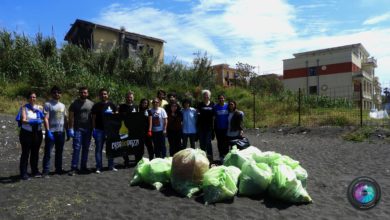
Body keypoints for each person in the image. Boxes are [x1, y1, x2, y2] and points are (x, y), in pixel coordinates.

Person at [16, 91, 44, 180]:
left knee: (35, 152)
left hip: (37, 133)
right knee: (25, 153)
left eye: (34, 97)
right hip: (26, 133)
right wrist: (32, 121)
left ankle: (34, 170)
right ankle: (23, 172)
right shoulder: (24, 108)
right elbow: (23, 120)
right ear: (28, 98)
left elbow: (44, 117)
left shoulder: (39, 107)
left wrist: (41, 119)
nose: (33, 99)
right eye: (31, 97)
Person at [42, 86, 68, 177]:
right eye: (54, 92)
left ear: (60, 94)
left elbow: (65, 119)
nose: (56, 94)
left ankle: (58, 169)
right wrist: (48, 131)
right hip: (51, 132)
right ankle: (45, 171)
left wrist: (67, 130)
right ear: (52, 94)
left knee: (59, 152)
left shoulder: (63, 105)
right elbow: (45, 118)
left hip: (61, 132)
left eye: (58, 92)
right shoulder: (48, 104)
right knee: (48, 152)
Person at [68, 87, 94, 176]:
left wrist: (93, 128)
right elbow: (70, 116)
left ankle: (83, 167)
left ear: (87, 93)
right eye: (82, 92)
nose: (83, 94)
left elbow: (93, 117)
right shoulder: (74, 103)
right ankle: (74, 168)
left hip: (88, 129)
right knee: (76, 148)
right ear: (79, 93)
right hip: (78, 129)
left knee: (86, 148)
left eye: (85, 92)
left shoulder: (91, 104)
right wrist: (70, 128)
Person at [91, 88, 118, 173]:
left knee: (111, 148)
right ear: (99, 95)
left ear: (108, 95)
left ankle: (111, 165)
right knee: (98, 149)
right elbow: (93, 119)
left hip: (110, 130)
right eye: (102, 94)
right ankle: (99, 167)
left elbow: (117, 117)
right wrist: (94, 129)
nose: (103, 95)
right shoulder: (96, 105)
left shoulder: (112, 105)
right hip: (99, 130)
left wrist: (113, 114)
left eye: (105, 94)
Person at [118, 91, 138, 167]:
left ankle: (137, 160)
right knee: (124, 145)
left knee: (135, 144)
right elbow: (118, 117)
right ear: (126, 98)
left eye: (131, 97)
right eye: (128, 97)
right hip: (124, 129)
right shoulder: (122, 106)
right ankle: (126, 161)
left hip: (134, 129)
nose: (129, 98)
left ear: (133, 98)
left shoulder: (136, 106)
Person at [196, 89, 214, 161]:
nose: (206, 97)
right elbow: (197, 114)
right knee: (202, 143)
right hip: (201, 127)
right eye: (204, 95)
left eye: (207, 95)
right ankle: (202, 159)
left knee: (208, 143)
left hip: (209, 127)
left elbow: (214, 115)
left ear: (209, 96)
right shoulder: (199, 104)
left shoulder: (212, 104)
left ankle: (210, 158)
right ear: (203, 96)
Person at [213, 93, 229, 162]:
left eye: (222, 98)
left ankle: (227, 155)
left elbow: (233, 111)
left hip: (226, 128)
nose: (221, 99)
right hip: (218, 128)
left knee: (226, 142)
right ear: (218, 99)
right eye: (220, 98)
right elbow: (213, 117)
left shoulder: (227, 106)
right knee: (220, 142)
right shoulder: (215, 107)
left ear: (224, 99)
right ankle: (221, 155)